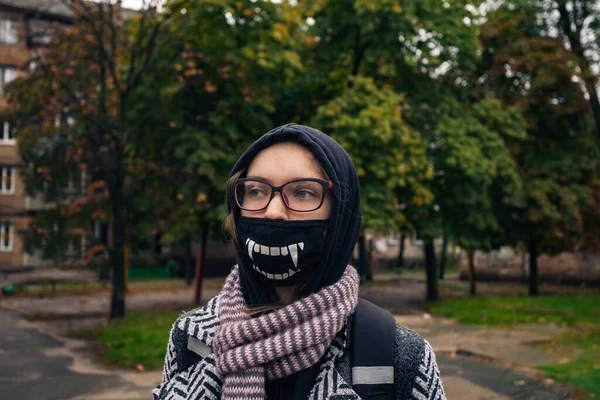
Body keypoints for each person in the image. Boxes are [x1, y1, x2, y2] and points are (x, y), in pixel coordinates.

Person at [154, 124, 446, 400]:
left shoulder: (398, 354)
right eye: (256, 191)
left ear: (339, 216)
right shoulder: (190, 337)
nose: (273, 212)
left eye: (303, 192)